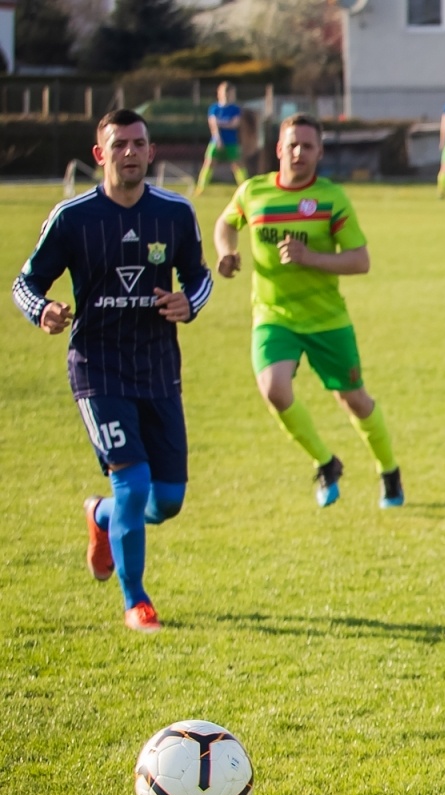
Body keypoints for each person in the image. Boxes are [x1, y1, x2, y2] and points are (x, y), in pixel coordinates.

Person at [11, 109, 213, 632]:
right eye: (119, 144)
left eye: (138, 143)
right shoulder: (74, 217)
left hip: (158, 366)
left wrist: (187, 303)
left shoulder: (174, 213)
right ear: (100, 155)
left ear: (150, 152)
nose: (130, 153)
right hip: (97, 368)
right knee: (135, 483)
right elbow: (24, 284)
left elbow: (199, 277)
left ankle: (100, 518)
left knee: (166, 499)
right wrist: (43, 311)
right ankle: (136, 599)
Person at [213, 113, 403, 511]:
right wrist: (226, 252)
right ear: (279, 149)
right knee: (274, 389)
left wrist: (310, 257)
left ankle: (389, 470)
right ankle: (326, 462)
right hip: (273, 315)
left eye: (308, 146)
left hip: (326, 319)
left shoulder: (332, 198)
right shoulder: (254, 191)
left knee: (354, 401)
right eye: (292, 144)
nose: (299, 152)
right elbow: (226, 224)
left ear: (319, 152)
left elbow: (360, 260)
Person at [194, 82, 247, 195]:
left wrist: (221, 123)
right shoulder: (214, 108)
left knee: (237, 164)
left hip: (232, 141)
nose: (227, 95)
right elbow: (213, 124)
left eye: (230, 93)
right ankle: (201, 188)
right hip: (216, 141)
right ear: (219, 93)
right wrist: (218, 138)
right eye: (224, 92)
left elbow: (235, 124)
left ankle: (245, 188)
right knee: (209, 163)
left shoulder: (235, 109)